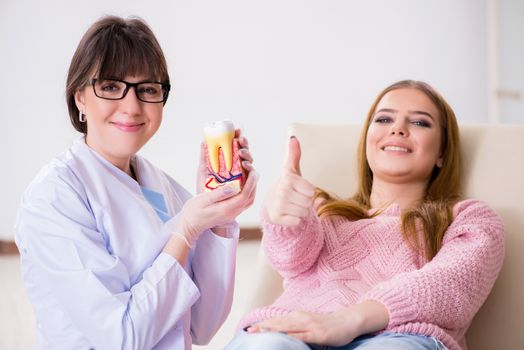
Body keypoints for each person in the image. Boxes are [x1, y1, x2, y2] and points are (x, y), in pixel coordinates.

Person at [15, 16, 258, 350]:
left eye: (147, 89)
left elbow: (202, 327)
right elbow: (122, 338)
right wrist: (185, 231)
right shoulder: (54, 196)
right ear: (80, 98)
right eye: (112, 87)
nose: (131, 107)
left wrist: (219, 218)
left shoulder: (162, 187)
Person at [224, 80, 504, 350]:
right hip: (291, 332)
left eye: (419, 122)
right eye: (384, 119)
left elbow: (449, 286)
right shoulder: (321, 208)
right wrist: (283, 219)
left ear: (442, 151)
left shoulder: (468, 218)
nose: (398, 129)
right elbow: (290, 260)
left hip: (399, 337)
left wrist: (348, 320)